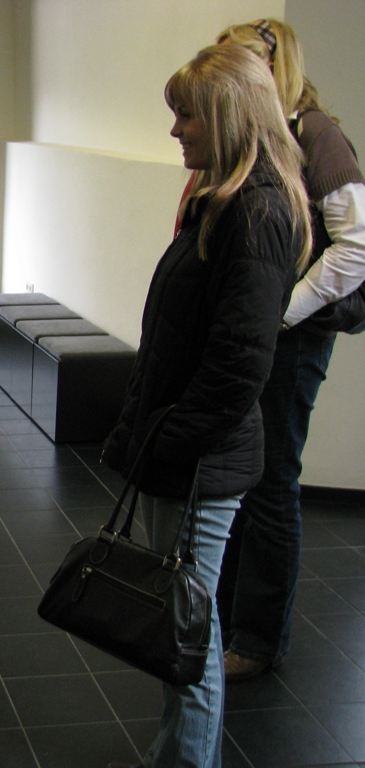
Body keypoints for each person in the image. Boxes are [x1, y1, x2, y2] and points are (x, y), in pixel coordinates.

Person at [101, 44, 311, 768]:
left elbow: (239, 367)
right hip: (189, 457)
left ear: (227, 116)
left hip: (199, 464)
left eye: (186, 114)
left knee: (190, 638)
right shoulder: (226, 202)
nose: (175, 129)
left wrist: (167, 439)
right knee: (185, 629)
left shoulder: (254, 213)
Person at [213, 19, 365, 682]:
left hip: (293, 341)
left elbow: (356, 248)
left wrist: (280, 313)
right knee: (247, 478)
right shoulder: (265, 134)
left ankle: (259, 639)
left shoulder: (317, 134)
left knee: (271, 483)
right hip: (263, 332)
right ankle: (230, 622)